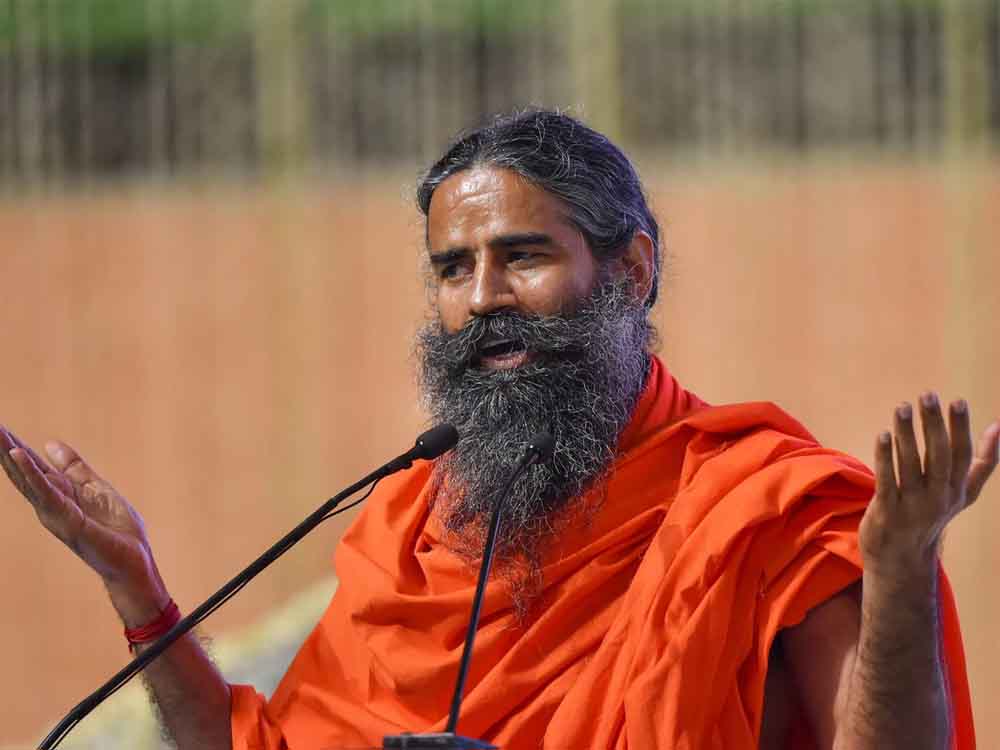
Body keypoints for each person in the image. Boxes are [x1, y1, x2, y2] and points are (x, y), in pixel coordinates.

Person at [2, 109, 997, 750]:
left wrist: (900, 573)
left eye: (522, 257)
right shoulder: (407, 526)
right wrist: (139, 592)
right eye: (452, 269)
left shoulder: (768, 512)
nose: (481, 299)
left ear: (631, 271)